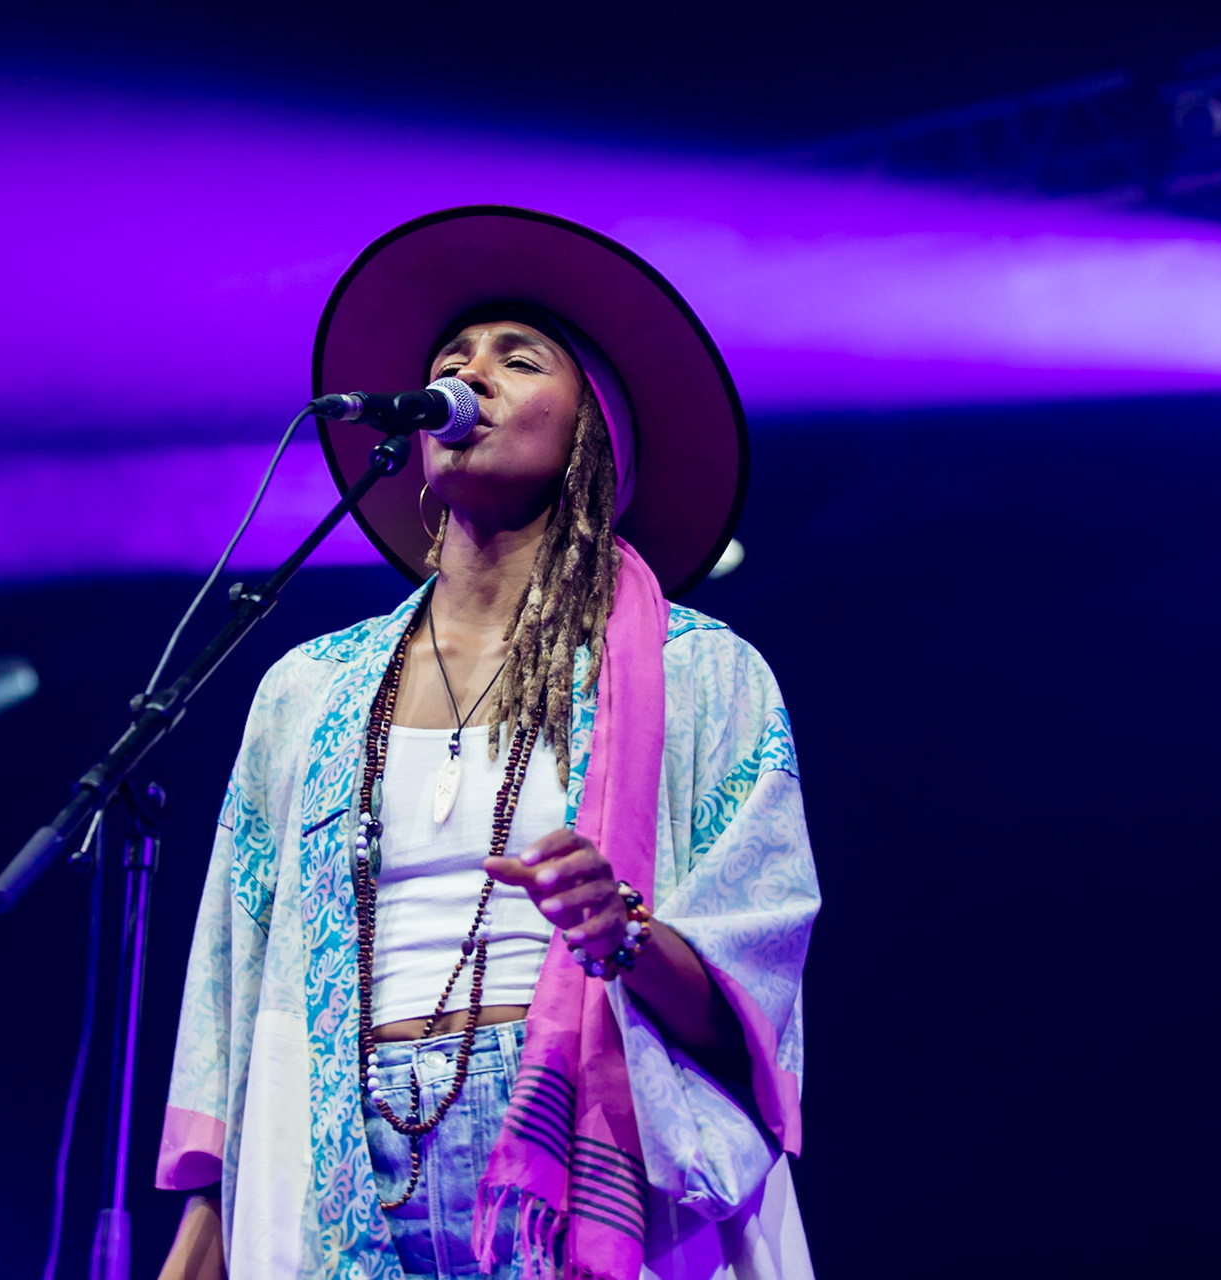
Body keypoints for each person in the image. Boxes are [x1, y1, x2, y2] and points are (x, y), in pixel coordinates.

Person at [156, 207, 819, 1280]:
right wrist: (206, 1219)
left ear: (592, 421)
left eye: (519, 358)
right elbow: (234, 967)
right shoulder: (308, 691)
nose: (473, 377)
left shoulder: (704, 673)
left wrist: (625, 930)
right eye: (452, 363)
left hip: (586, 1144)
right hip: (337, 1142)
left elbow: (754, 983)